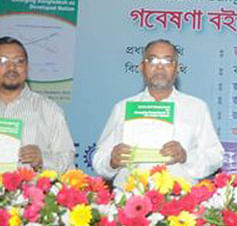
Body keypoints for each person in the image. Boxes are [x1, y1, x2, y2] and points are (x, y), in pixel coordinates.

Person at [93, 39, 223, 186]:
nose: (160, 67)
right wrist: (111, 161)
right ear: (141, 67)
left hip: (180, 201)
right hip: (129, 201)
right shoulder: (122, 107)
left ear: (178, 68)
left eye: (168, 61)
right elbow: (99, 159)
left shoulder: (196, 108)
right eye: (152, 60)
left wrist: (186, 157)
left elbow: (215, 157)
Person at [0, 36, 74, 180]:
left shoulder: (50, 111)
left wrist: (42, 160)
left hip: (29, 200)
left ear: (27, 67)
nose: (12, 67)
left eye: (19, 61)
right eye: (2, 61)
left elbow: (68, 164)